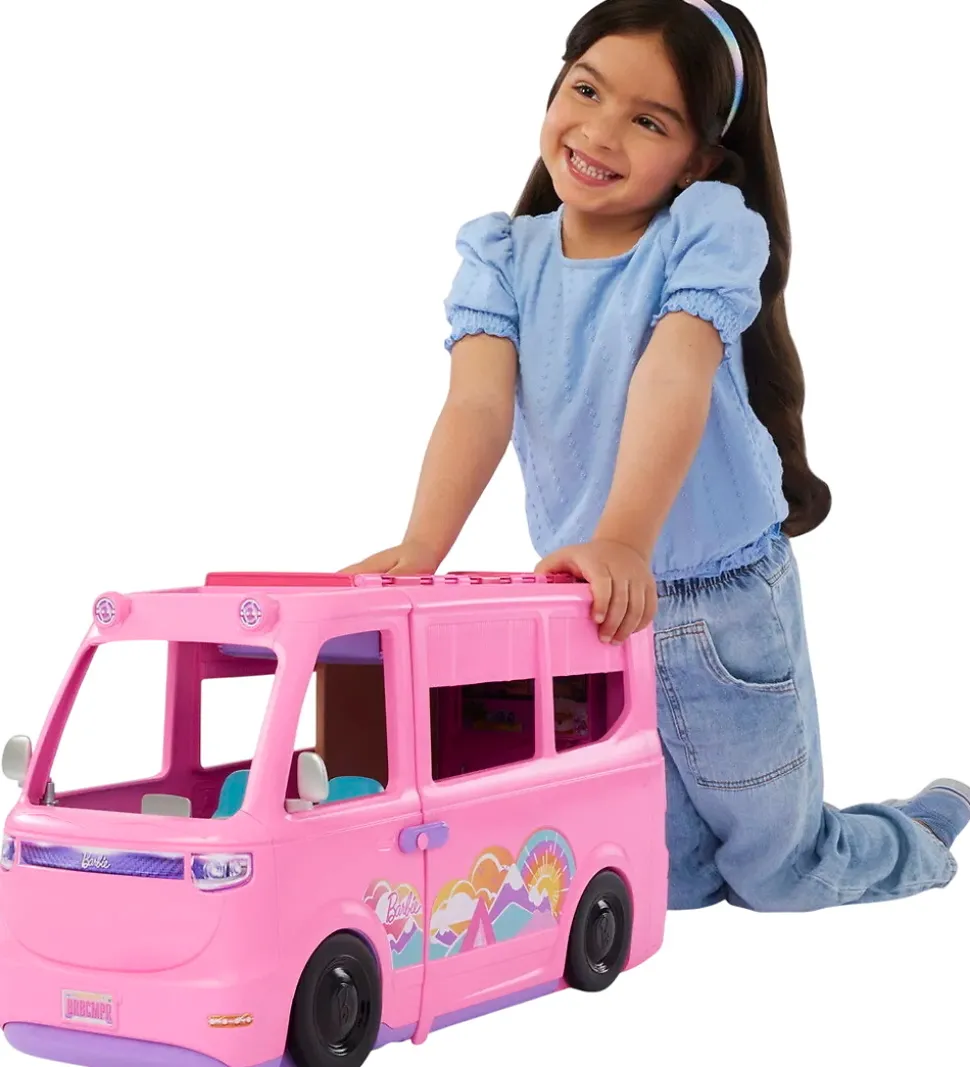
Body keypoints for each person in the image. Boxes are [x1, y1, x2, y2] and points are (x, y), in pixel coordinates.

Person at [340, 0, 969, 911]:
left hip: (721, 598)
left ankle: (924, 832)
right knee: (663, 872)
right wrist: (420, 547)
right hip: (592, 609)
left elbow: (675, 372)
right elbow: (476, 404)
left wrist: (626, 537)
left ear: (699, 158)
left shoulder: (706, 231)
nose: (599, 132)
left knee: (779, 871)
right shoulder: (500, 256)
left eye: (648, 121)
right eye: (586, 91)